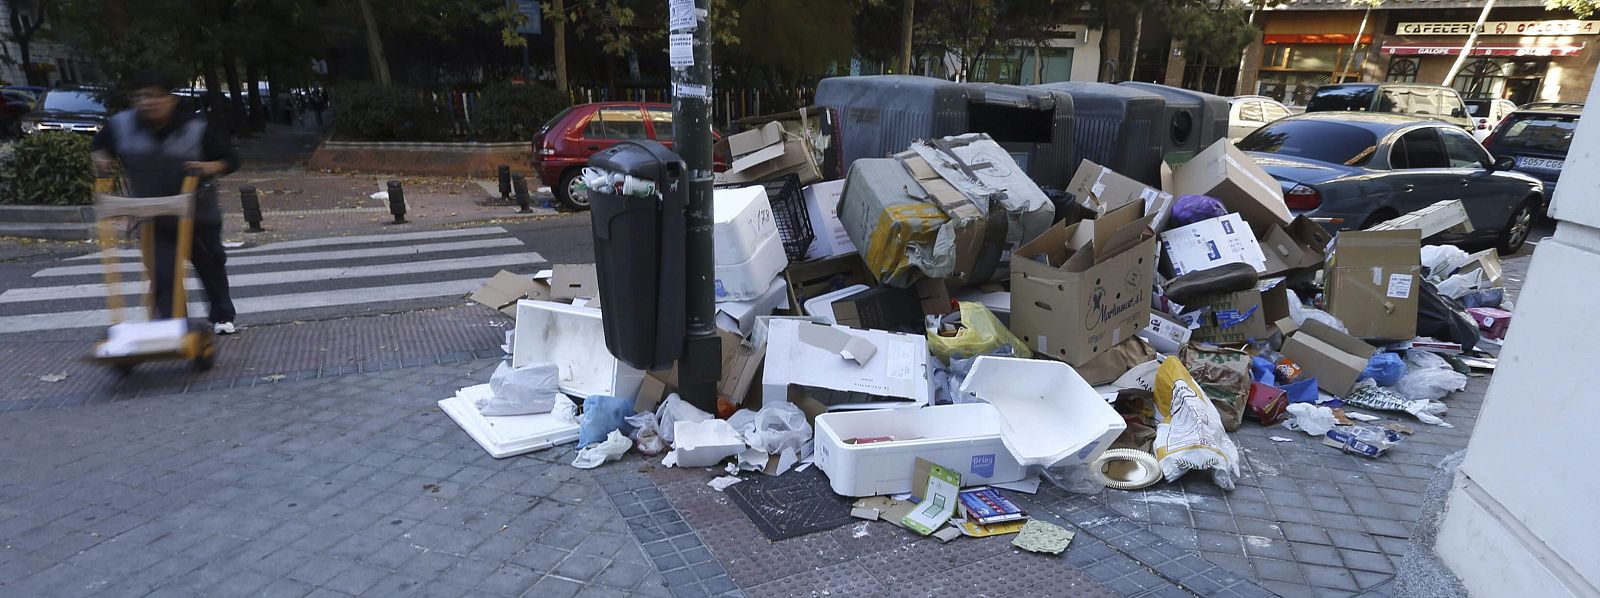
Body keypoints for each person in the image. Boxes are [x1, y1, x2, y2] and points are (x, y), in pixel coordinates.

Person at [91, 69, 240, 335]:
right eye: (141, 97)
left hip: (198, 214)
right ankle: (174, 326)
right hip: (152, 216)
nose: (147, 102)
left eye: (154, 96)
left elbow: (230, 160)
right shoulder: (121, 126)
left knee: (210, 266)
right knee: (162, 274)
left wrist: (209, 166)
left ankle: (222, 316)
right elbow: (100, 146)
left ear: (169, 99)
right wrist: (101, 158)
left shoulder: (197, 127)